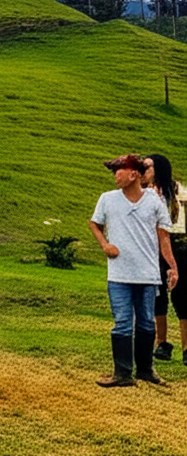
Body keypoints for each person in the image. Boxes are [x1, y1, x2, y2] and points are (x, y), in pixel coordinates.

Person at [89, 153, 178, 386]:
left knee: (147, 323)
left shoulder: (154, 201)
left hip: (147, 274)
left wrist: (173, 267)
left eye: (119, 170)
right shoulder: (107, 199)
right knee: (123, 322)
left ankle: (146, 370)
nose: (115, 175)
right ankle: (122, 372)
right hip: (119, 274)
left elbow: (164, 237)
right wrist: (105, 245)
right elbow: (94, 224)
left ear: (133, 174)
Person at [143, 153, 187, 363]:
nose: (143, 172)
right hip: (154, 247)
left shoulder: (177, 190)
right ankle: (161, 343)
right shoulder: (144, 193)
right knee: (158, 295)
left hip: (179, 246)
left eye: (148, 168)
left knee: (183, 296)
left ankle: (185, 347)